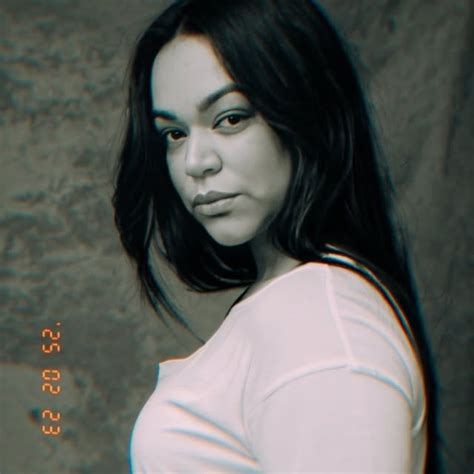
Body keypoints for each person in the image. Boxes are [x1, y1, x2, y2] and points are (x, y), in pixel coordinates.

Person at [113, 0, 444, 472]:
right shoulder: (301, 306)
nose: (195, 162)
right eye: (173, 134)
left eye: (230, 118)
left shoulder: (322, 330)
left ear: (306, 112)